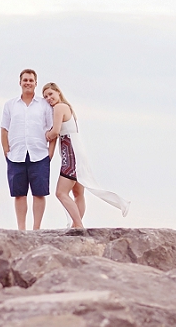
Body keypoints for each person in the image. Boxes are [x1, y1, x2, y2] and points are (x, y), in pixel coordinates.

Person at [42, 82, 130, 227]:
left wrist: (46, 134)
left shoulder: (59, 107)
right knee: (78, 193)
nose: (48, 98)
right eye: (45, 97)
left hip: (71, 154)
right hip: (78, 151)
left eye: (50, 94)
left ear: (58, 92)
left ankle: (78, 225)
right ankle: (76, 225)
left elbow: (55, 132)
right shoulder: (68, 107)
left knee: (61, 193)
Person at [0, 69, 54, 230]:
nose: (28, 83)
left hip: (39, 153)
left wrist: (50, 153)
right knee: (19, 193)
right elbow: (4, 129)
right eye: (25, 80)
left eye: (31, 80)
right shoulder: (10, 105)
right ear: (20, 82)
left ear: (36, 83)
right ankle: (21, 229)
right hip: (16, 154)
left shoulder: (44, 105)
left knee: (39, 193)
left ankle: (36, 228)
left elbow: (52, 129)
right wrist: (6, 151)